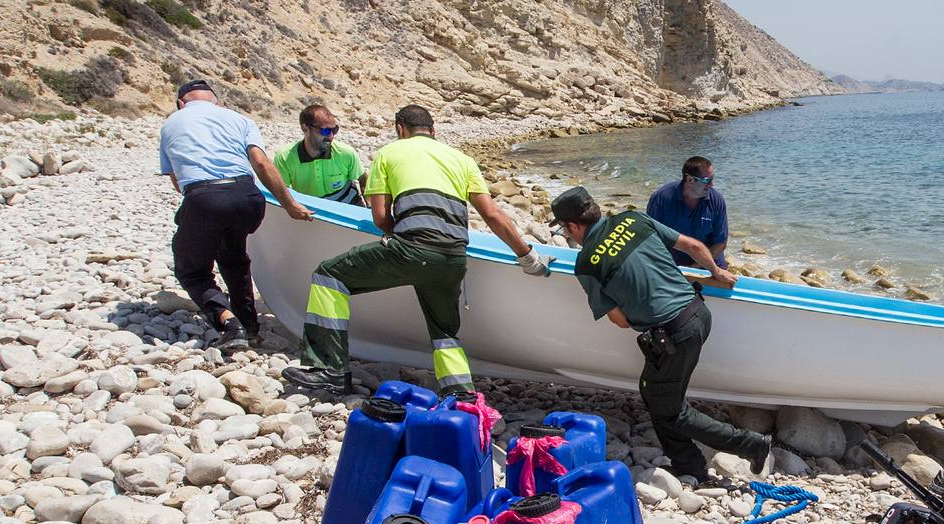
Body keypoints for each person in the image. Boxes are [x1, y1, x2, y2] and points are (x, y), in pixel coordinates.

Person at [282, 105, 550, 396]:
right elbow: (493, 214)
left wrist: (408, 239)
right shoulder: (462, 159)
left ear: (400, 129)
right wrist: (528, 257)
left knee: (328, 276)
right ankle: (461, 396)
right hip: (453, 258)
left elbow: (380, 217)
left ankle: (329, 370)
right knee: (444, 332)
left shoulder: (389, 153)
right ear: (433, 131)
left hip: (410, 251)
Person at [548, 186, 773, 483]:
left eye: (565, 230)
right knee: (655, 392)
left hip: (674, 334)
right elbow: (692, 245)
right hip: (698, 312)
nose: (568, 236)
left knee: (672, 410)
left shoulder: (587, 262)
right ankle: (687, 463)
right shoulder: (634, 220)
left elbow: (620, 321)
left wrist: (640, 304)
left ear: (574, 226)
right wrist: (715, 271)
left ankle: (750, 444)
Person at [158, 79, 312, 347]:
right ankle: (250, 327)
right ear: (215, 101)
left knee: (191, 269)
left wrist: (199, 209)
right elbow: (261, 163)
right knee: (234, 259)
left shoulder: (171, 123)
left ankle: (229, 324)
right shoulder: (237, 118)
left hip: (204, 196)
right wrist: (289, 204)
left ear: (181, 103)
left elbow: (176, 180)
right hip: (248, 197)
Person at [644, 156, 728, 269]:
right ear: (690, 180)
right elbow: (651, 239)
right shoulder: (661, 198)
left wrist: (694, 268)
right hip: (673, 265)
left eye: (712, 178)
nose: (712, 184)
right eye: (707, 180)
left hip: (710, 264)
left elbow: (720, 243)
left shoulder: (716, 200)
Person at [275, 104, 366, 205]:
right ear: (305, 129)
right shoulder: (284, 158)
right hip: (308, 208)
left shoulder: (346, 153)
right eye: (325, 131)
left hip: (346, 203)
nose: (331, 136)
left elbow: (364, 180)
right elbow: (280, 191)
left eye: (334, 130)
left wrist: (369, 207)